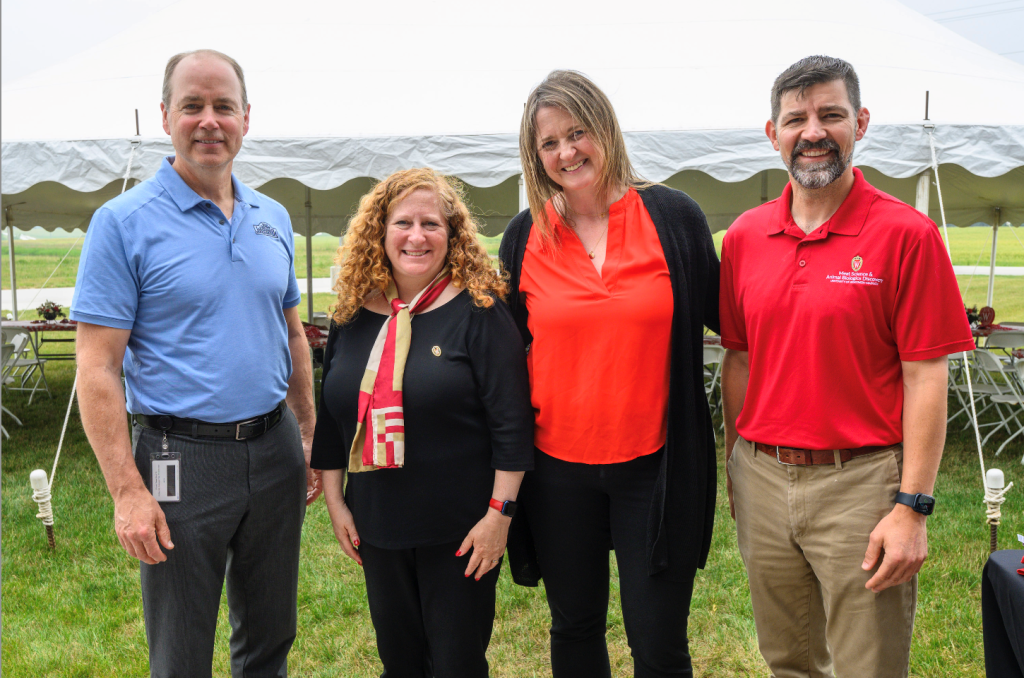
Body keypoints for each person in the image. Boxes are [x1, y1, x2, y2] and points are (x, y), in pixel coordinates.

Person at [719, 55, 976, 678]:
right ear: (772, 133)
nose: (812, 131)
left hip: (860, 486)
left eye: (830, 115)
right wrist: (735, 462)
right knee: (787, 659)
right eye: (795, 119)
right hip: (763, 476)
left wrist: (912, 506)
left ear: (859, 123)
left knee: (869, 666)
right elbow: (739, 357)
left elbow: (925, 375)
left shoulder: (906, 234)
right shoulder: (745, 237)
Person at [73, 49, 321, 677]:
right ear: (165, 116)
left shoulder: (274, 217)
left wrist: (309, 430)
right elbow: (97, 369)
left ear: (246, 118)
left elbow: (290, 332)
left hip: (274, 451)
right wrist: (128, 490)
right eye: (192, 106)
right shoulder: (122, 223)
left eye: (222, 107)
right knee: (181, 651)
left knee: (270, 638)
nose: (208, 121)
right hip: (176, 459)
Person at [499, 70, 721, 678]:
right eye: (549, 143)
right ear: (534, 154)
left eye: (578, 132)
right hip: (557, 473)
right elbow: (503, 356)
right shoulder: (524, 237)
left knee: (658, 643)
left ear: (605, 129)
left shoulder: (674, 218)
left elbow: (739, 322)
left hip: (654, 468)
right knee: (573, 628)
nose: (567, 152)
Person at [310, 168, 533, 678]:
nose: (416, 236)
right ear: (380, 232)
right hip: (378, 525)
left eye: (431, 223)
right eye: (403, 222)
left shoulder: (481, 313)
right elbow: (334, 414)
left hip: (461, 532)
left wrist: (499, 516)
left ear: (452, 235)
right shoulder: (351, 316)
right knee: (400, 663)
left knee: (457, 665)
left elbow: (512, 425)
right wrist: (336, 501)